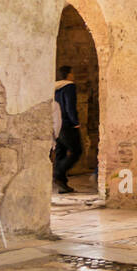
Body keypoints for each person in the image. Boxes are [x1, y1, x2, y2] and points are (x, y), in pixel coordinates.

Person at [52, 66, 83, 194]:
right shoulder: (69, 86)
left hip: (56, 123)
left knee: (61, 152)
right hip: (67, 124)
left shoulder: (55, 87)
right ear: (69, 74)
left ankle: (62, 184)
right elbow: (69, 105)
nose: (73, 75)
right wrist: (75, 122)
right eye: (72, 73)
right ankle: (58, 173)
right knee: (77, 150)